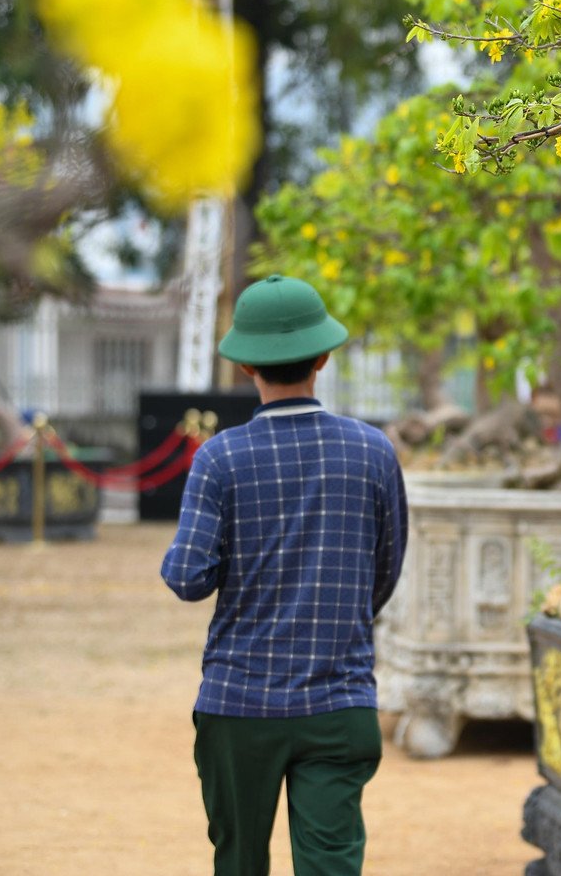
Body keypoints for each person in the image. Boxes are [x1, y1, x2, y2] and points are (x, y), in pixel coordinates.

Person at [161, 274, 408, 876]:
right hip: (340, 699)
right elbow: (385, 569)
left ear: (247, 364)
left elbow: (188, 577)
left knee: (239, 862)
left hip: (239, 703)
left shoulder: (220, 458)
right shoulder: (373, 450)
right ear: (323, 357)